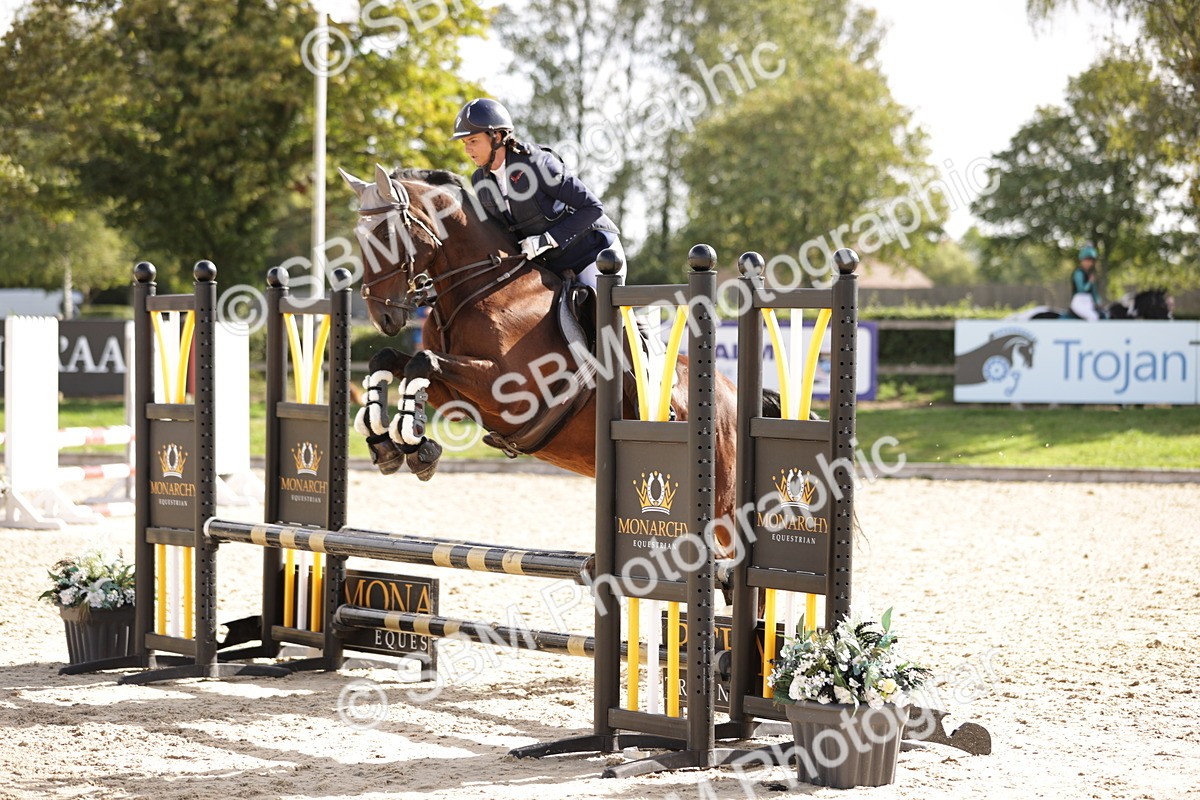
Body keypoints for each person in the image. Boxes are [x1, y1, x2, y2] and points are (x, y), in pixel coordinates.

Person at [450, 98, 625, 289]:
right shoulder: (480, 181)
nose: (468, 150)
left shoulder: (537, 163)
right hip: (551, 266)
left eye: (473, 141)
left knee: (602, 317)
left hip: (594, 255)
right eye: (465, 143)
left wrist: (547, 240)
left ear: (497, 136)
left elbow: (593, 207)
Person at [1069, 245, 1103, 321]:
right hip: (1079, 300)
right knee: (1093, 317)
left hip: (1088, 300)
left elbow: (1094, 291)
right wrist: (1089, 282)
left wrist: (1098, 302)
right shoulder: (1078, 273)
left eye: (1091, 261)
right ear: (1082, 260)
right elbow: (1081, 289)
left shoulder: (1091, 274)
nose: (1089, 263)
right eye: (1087, 260)